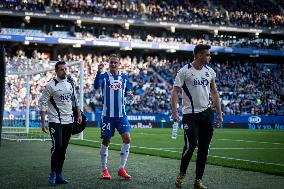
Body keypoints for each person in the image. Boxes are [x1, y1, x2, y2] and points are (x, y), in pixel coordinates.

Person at [171, 44, 223, 189]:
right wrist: (175, 111)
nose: (209, 57)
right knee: (191, 145)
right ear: (199, 55)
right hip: (190, 115)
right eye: (207, 54)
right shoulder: (184, 71)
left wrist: (219, 112)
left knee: (204, 148)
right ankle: (182, 174)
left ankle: (198, 180)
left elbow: (214, 92)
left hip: (207, 114)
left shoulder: (210, 72)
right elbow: (175, 91)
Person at [39, 61, 82, 186]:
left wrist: (78, 115)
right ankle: (52, 173)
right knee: (57, 146)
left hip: (69, 121)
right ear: (56, 71)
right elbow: (42, 104)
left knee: (63, 149)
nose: (64, 71)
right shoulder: (50, 85)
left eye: (65, 69)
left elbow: (75, 100)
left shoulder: (70, 84)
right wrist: (43, 123)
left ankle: (59, 174)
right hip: (55, 121)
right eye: (62, 69)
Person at [94, 54, 133, 180]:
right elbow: (96, 86)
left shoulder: (124, 77)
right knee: (106, 141)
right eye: (111, 62)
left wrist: (130, 93)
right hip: (107, 116)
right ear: (108, 63)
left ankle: (121, 168)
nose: (113, 64)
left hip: (121, 115)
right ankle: (104, 169)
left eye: (115, 62)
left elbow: (129, 90)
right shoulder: (104, 76)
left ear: (119, 64)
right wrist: (98, 72)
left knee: (127, 139)